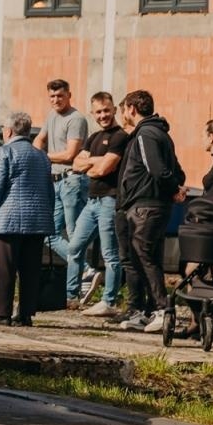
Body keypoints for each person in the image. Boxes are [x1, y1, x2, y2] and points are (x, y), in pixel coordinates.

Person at [113, 89, 185, 333]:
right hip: (144, 205)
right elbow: (177, 170)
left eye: (124, 109)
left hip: (147, 206)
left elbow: (157, 169)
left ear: (132, 108)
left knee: (143, 255)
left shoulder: (146, 133)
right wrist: (175, 185)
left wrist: (174, 187)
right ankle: (148, 311)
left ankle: (163, 310)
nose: (124, 113)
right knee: (141, 257)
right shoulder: (159, 133)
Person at [0, 110, 55, 326]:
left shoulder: (3, 152)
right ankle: (25, 314)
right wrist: (47, 217)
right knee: (30, 270)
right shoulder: (41, 156)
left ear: (9, 130)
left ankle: (2, 312)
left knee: (6, 269)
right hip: (37, 222)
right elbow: (50, 191)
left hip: (8, 220)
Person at [69, 92, 129, 316]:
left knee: (110, 254)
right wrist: (97, 162)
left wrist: (92, 164)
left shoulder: (120, 136)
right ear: (92, 113)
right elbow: (76, 163)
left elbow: (106, 169)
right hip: (91, 201)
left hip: (109, 200)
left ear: (114, 110)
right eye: (98, 112)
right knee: (74, 247)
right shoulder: (94, 138)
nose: (103, 115)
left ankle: (109, 302)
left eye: (107, 110)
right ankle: (71, 296)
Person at [33, 79, 89, 264]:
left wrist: (43, 157)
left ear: (69, 95)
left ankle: (83, 274)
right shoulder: (52, 115)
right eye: (52, 96)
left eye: (60, 96)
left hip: (72, 181)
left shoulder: (76, 119)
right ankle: (85, 270)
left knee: (74, 234)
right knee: (49, 234)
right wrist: (35, 151)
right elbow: (40, 139)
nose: (56, 100)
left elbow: (70, 154)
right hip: (55, 181)